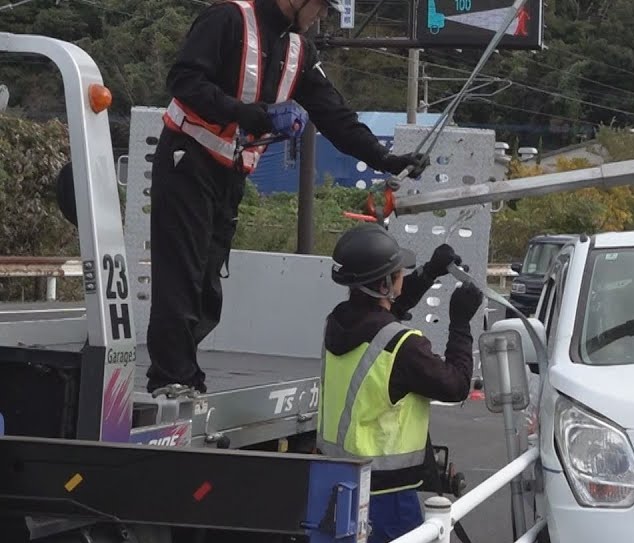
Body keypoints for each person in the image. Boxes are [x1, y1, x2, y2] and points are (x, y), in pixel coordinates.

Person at [146, 0, 426, 396]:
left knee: (207, 282)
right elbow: (183, 81)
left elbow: (336, 117)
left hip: (230, 174)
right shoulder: (228, 19)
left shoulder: (299, 49)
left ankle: (183, 374)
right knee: (182, 276)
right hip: (186, 159)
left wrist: (387, 159)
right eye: (322, 6)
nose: (323, 16)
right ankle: (171, 378)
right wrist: (248, 113)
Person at [289, 223, 483, 543]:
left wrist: (431, 273)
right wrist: (461, 323)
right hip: (387, 500)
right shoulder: (403, 346)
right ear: (383, 284)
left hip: (334, 486)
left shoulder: (338, 323)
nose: (402, 278)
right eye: (398, 273)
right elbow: (456, 384)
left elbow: (384, 316)